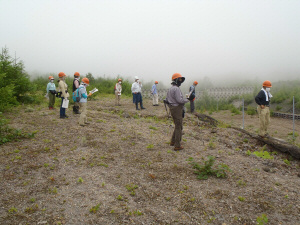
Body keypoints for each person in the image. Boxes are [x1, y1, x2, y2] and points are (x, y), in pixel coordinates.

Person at [166, 73, 189, 150]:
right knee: (179, 127)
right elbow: (180, 100)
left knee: (177, 125)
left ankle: (173, 141)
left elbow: (167, 100)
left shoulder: (171, 89)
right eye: (179, 79)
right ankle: (177, 145)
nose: (180, 81)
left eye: (181, 80)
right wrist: (188, 99)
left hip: (173, 108)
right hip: (177, 108)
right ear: (175, 80)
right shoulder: (176, 89)